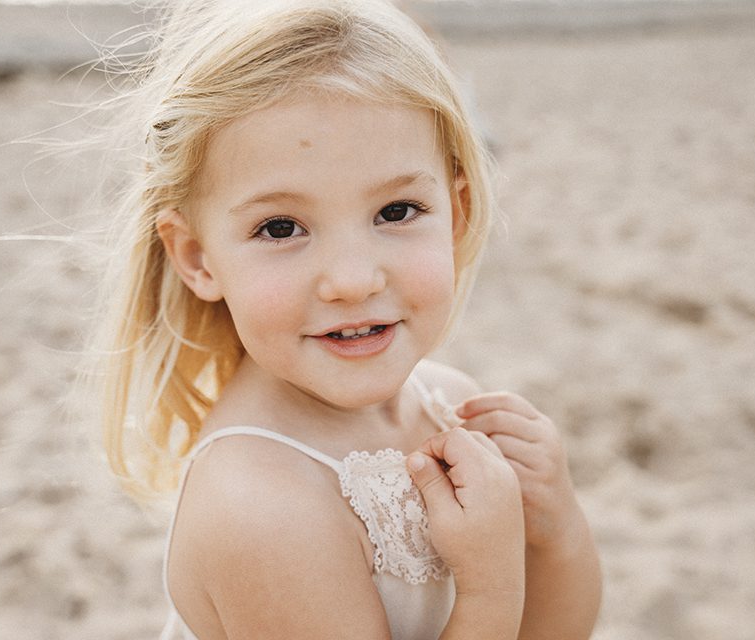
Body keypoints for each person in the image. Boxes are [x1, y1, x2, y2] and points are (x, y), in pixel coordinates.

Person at [92, 0, 602, 637]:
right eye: (281, 227)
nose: (354, 280)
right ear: (199, 258)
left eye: (396, 211)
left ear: (458, 212)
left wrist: (556, 528)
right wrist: (492, 588)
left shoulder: (451, 403)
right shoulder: (262, 508)